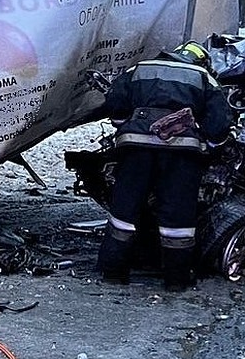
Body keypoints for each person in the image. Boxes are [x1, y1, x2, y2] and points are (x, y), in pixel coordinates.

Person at [97, 41, 235, 291]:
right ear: (202, 61)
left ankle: (113, 273)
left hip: (136, 150)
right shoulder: (204, 77)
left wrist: (125, 125)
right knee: (178, 221)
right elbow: (219, 122)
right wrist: (211, 148)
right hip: (181, 155)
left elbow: (115, 100)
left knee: (124, 213)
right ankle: (176, 280)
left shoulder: (141, 68)